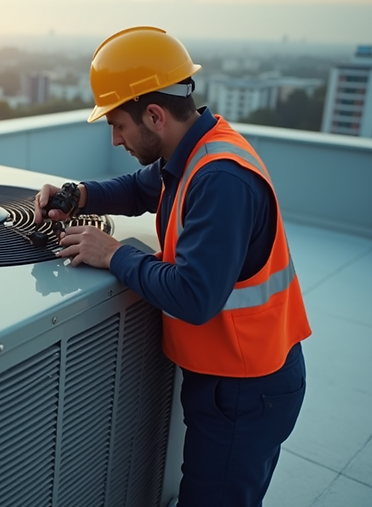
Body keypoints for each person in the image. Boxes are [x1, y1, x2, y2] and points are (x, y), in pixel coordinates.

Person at [34, 26, 312, 507]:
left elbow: (194, 296)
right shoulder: (194, 149)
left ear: (155, 115)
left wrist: (114, 254)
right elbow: (142, 187)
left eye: (118, 125)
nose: (117, 139)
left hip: (247, 388)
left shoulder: (221, 178)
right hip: (233, 376)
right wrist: (79, 194)